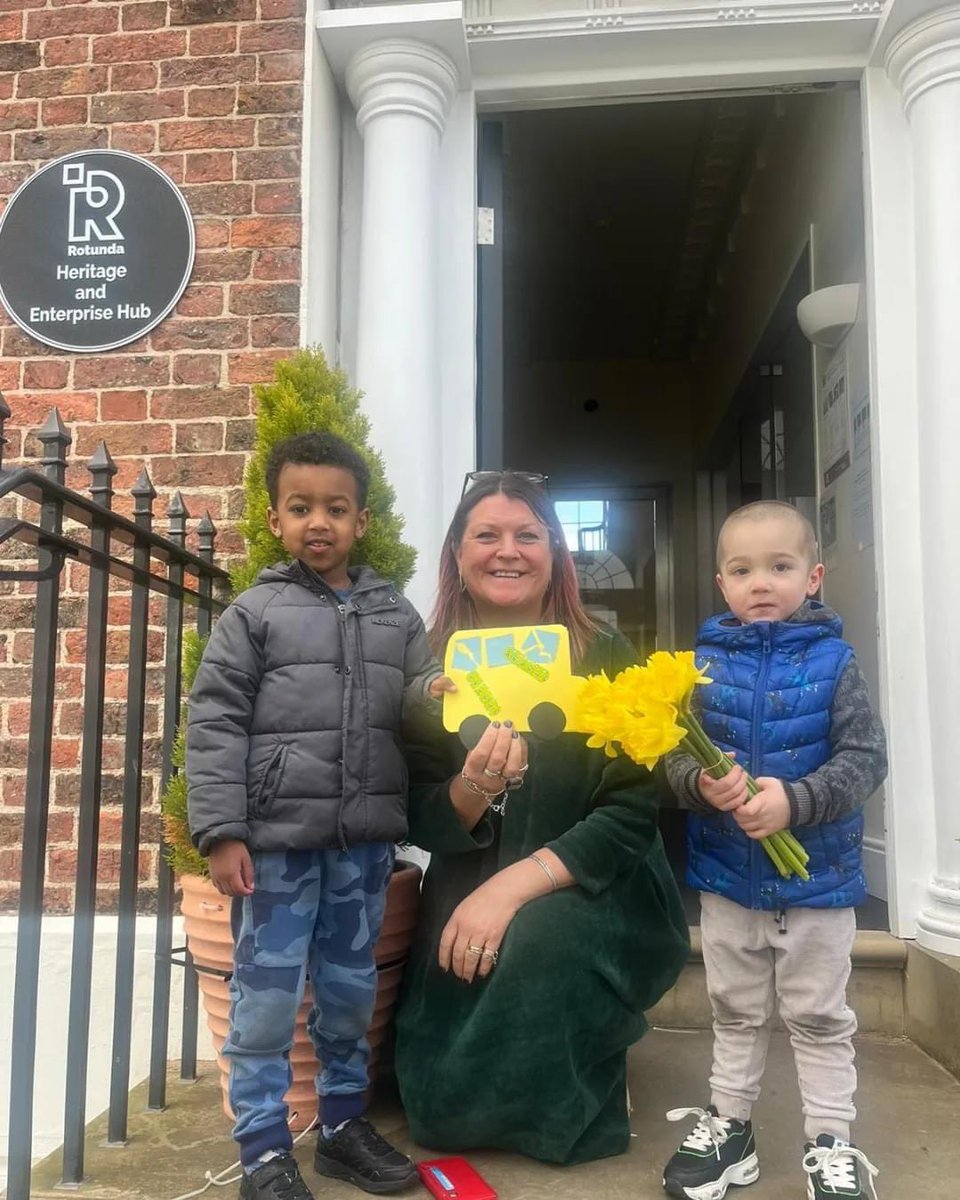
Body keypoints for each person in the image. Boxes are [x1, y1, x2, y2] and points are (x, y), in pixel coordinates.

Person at [394, 470, 690, 1166]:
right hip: (469, 867)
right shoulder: (433, 668)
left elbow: (629, 812)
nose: (509, 550)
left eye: (528, 535)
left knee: (534, 947)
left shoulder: (606, 657)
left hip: (595, 879)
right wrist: (471, 786)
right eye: (487, 535)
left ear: (554, 554)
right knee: (443, 1038)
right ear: (457, 557)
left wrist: (510, 889)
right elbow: (418, 816)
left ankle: (564, 1108)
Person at [187, 431, 445, 1200]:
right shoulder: (252, 613)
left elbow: (417, 690)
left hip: (361, 848)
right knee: (264, 1001)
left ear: (363, 521)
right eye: (302, 508)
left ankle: (339, 1128)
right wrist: (221, 830)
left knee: (347, 993)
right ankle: (264, 1147)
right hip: (273, 849)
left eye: (336, 508)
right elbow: (214, 722)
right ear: (276, 519)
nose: (319, 522)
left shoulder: (394, 614)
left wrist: (436, 695)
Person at [661, 500, 887, 1200]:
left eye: (780, 567)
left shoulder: (835, 661)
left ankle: (832, 1143)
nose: (761, 582)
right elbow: (669, 759)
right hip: (730, 883)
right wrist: (699, 781)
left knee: (819, 1017)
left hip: (816, 885)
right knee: (733, 1011)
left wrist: (797, 800)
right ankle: (731, 1129)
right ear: (722, 584)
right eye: (742, 569)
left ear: (813, 576)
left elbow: (865, 759)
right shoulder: (696, 667)